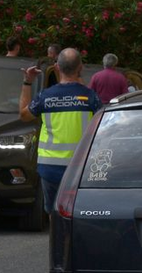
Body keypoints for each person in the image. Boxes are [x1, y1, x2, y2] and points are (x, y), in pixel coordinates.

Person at [19, 48, 101, 213]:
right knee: (77, 212)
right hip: (80, 168)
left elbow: (24, 115)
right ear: (81, 68)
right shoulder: (90, 97)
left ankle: (57, 238)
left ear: (57, 67)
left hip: (50, 167)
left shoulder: (45, 96)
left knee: (55, 213)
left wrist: (28, 82)